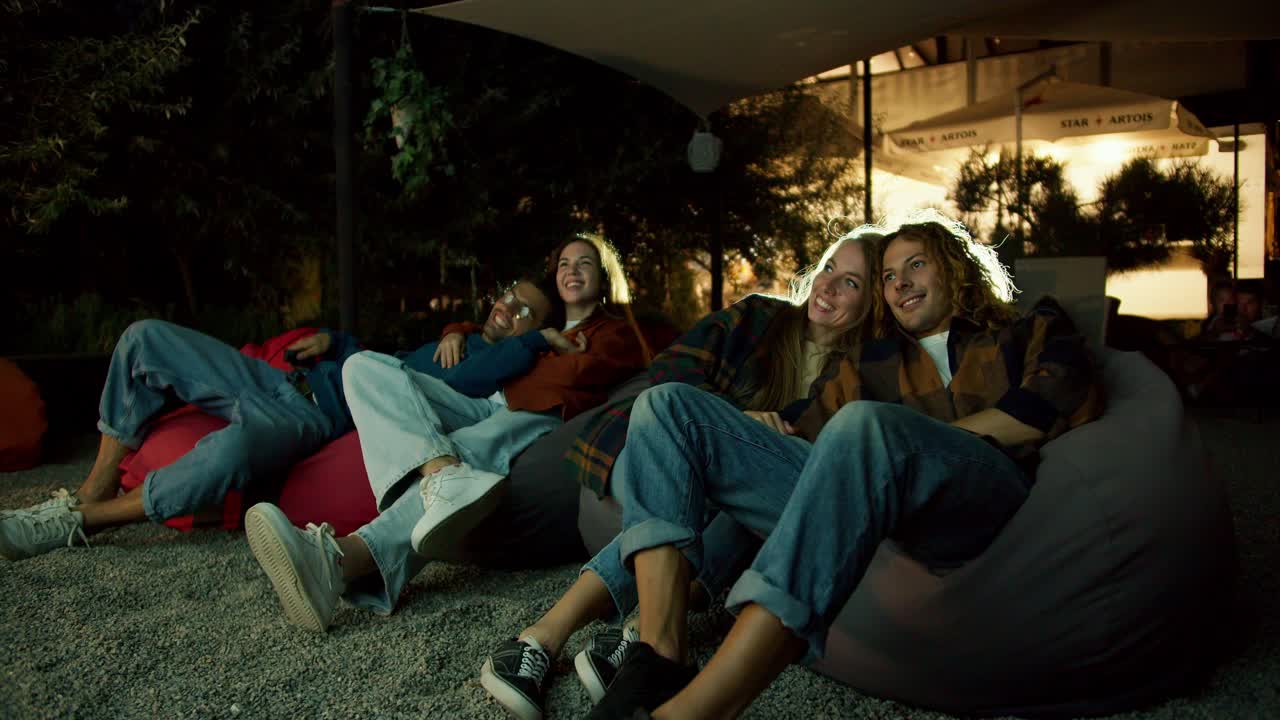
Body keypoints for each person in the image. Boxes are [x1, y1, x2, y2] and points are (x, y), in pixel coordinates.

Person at [583, 211, 1105, 720]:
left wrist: (899, 445)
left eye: (917, 265)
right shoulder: (870, 362)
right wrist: (734, 430)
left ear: (955, 265)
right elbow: (801, 428)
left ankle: (698, 710)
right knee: (667, 406)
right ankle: (659, 655)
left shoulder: (1027, 327)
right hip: (873, 502)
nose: (901, 283)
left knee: (863, 427)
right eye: (890, 276)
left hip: (977, 493)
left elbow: (1051, 401)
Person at [478, 227, 884, 720]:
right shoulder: (759, 317)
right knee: (706, 473)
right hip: (658, 447)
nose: (828, 287)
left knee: (741, 502)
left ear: (871, 302)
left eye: (851, 283)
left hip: (739, 499)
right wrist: (730, 420)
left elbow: (822, 462)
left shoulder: (859, 370)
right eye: (827, 270)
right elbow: (671, 371)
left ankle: (625, 640)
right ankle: (552, 639)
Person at [244, 234, 655, 632]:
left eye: (584, 263)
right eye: (565, 262)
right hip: (488, 400)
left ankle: (339, 560)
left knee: (469, 448)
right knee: (364, 368)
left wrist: (544, 352)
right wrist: (463, 331)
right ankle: (444, 473)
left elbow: (585, 372)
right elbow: (489, 338)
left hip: (537, 411)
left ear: (602, 280)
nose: (572, 270)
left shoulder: (610, 330)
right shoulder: (548, 323)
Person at [0, 277, 565, 563]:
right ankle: (85, 491)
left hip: (309, 421)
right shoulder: (455, 340)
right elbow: (379, 357)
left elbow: (447, 384)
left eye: (524, 313)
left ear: (531, 334)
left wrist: (536, 342)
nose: (507, 308)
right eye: (508, 295)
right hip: (283, 380)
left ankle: (87, 521)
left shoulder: (488, 373)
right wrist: (335, 339)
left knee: (227, 454)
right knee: (144, 337)